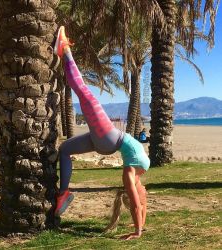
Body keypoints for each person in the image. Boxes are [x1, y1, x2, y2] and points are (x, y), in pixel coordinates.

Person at [53, 26, 150, 240]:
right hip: (106, 142)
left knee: (85, 93)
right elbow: (141, 205)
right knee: (65, 149)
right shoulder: (140, 172)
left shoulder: (131, 173)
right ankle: (63, 194)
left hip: (109, 139)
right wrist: (141, 225)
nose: (143, 194)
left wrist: (137, 232)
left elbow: (135, 203)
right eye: (142, 193)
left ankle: (65, 50)